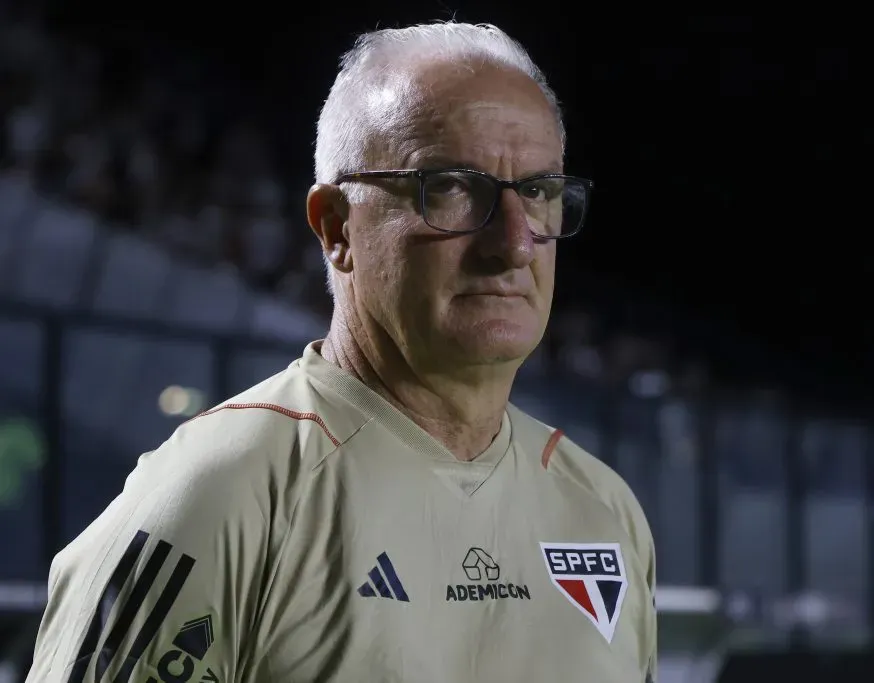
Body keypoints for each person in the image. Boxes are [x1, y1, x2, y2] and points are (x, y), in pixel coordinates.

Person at [27, 22, 657, 683]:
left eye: (537, 192)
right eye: (450, 187)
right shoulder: (219, 495)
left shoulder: (603, 510)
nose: (514, 243)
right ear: (336, 228)